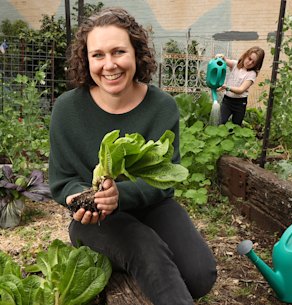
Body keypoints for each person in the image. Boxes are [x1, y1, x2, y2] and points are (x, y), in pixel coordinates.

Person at [48, 7, 217, 305]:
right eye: (97, 55)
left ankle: (141, 267)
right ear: (86, 60)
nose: (109, 64)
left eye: (118, 52)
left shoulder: (161, 106)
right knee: (144, 247)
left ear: (137, 54)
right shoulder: (67, 109)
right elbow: (62, 181)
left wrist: (119, 195)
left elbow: (164, 178)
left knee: (200, 275)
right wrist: (82, 197)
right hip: (94, 219)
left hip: (152, 205)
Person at [215, 46, 265, 125]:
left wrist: (226, 87)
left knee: (236, 126)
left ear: (257, 64)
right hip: (227, 101)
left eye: (253, 62)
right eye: (249, 59)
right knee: (221, 122)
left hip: (240, 104)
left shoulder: (252, 74)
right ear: (245, 55)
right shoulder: (235, 64)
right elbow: (224, 61)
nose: (249, 63)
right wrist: (221, 56)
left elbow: (241, 90)